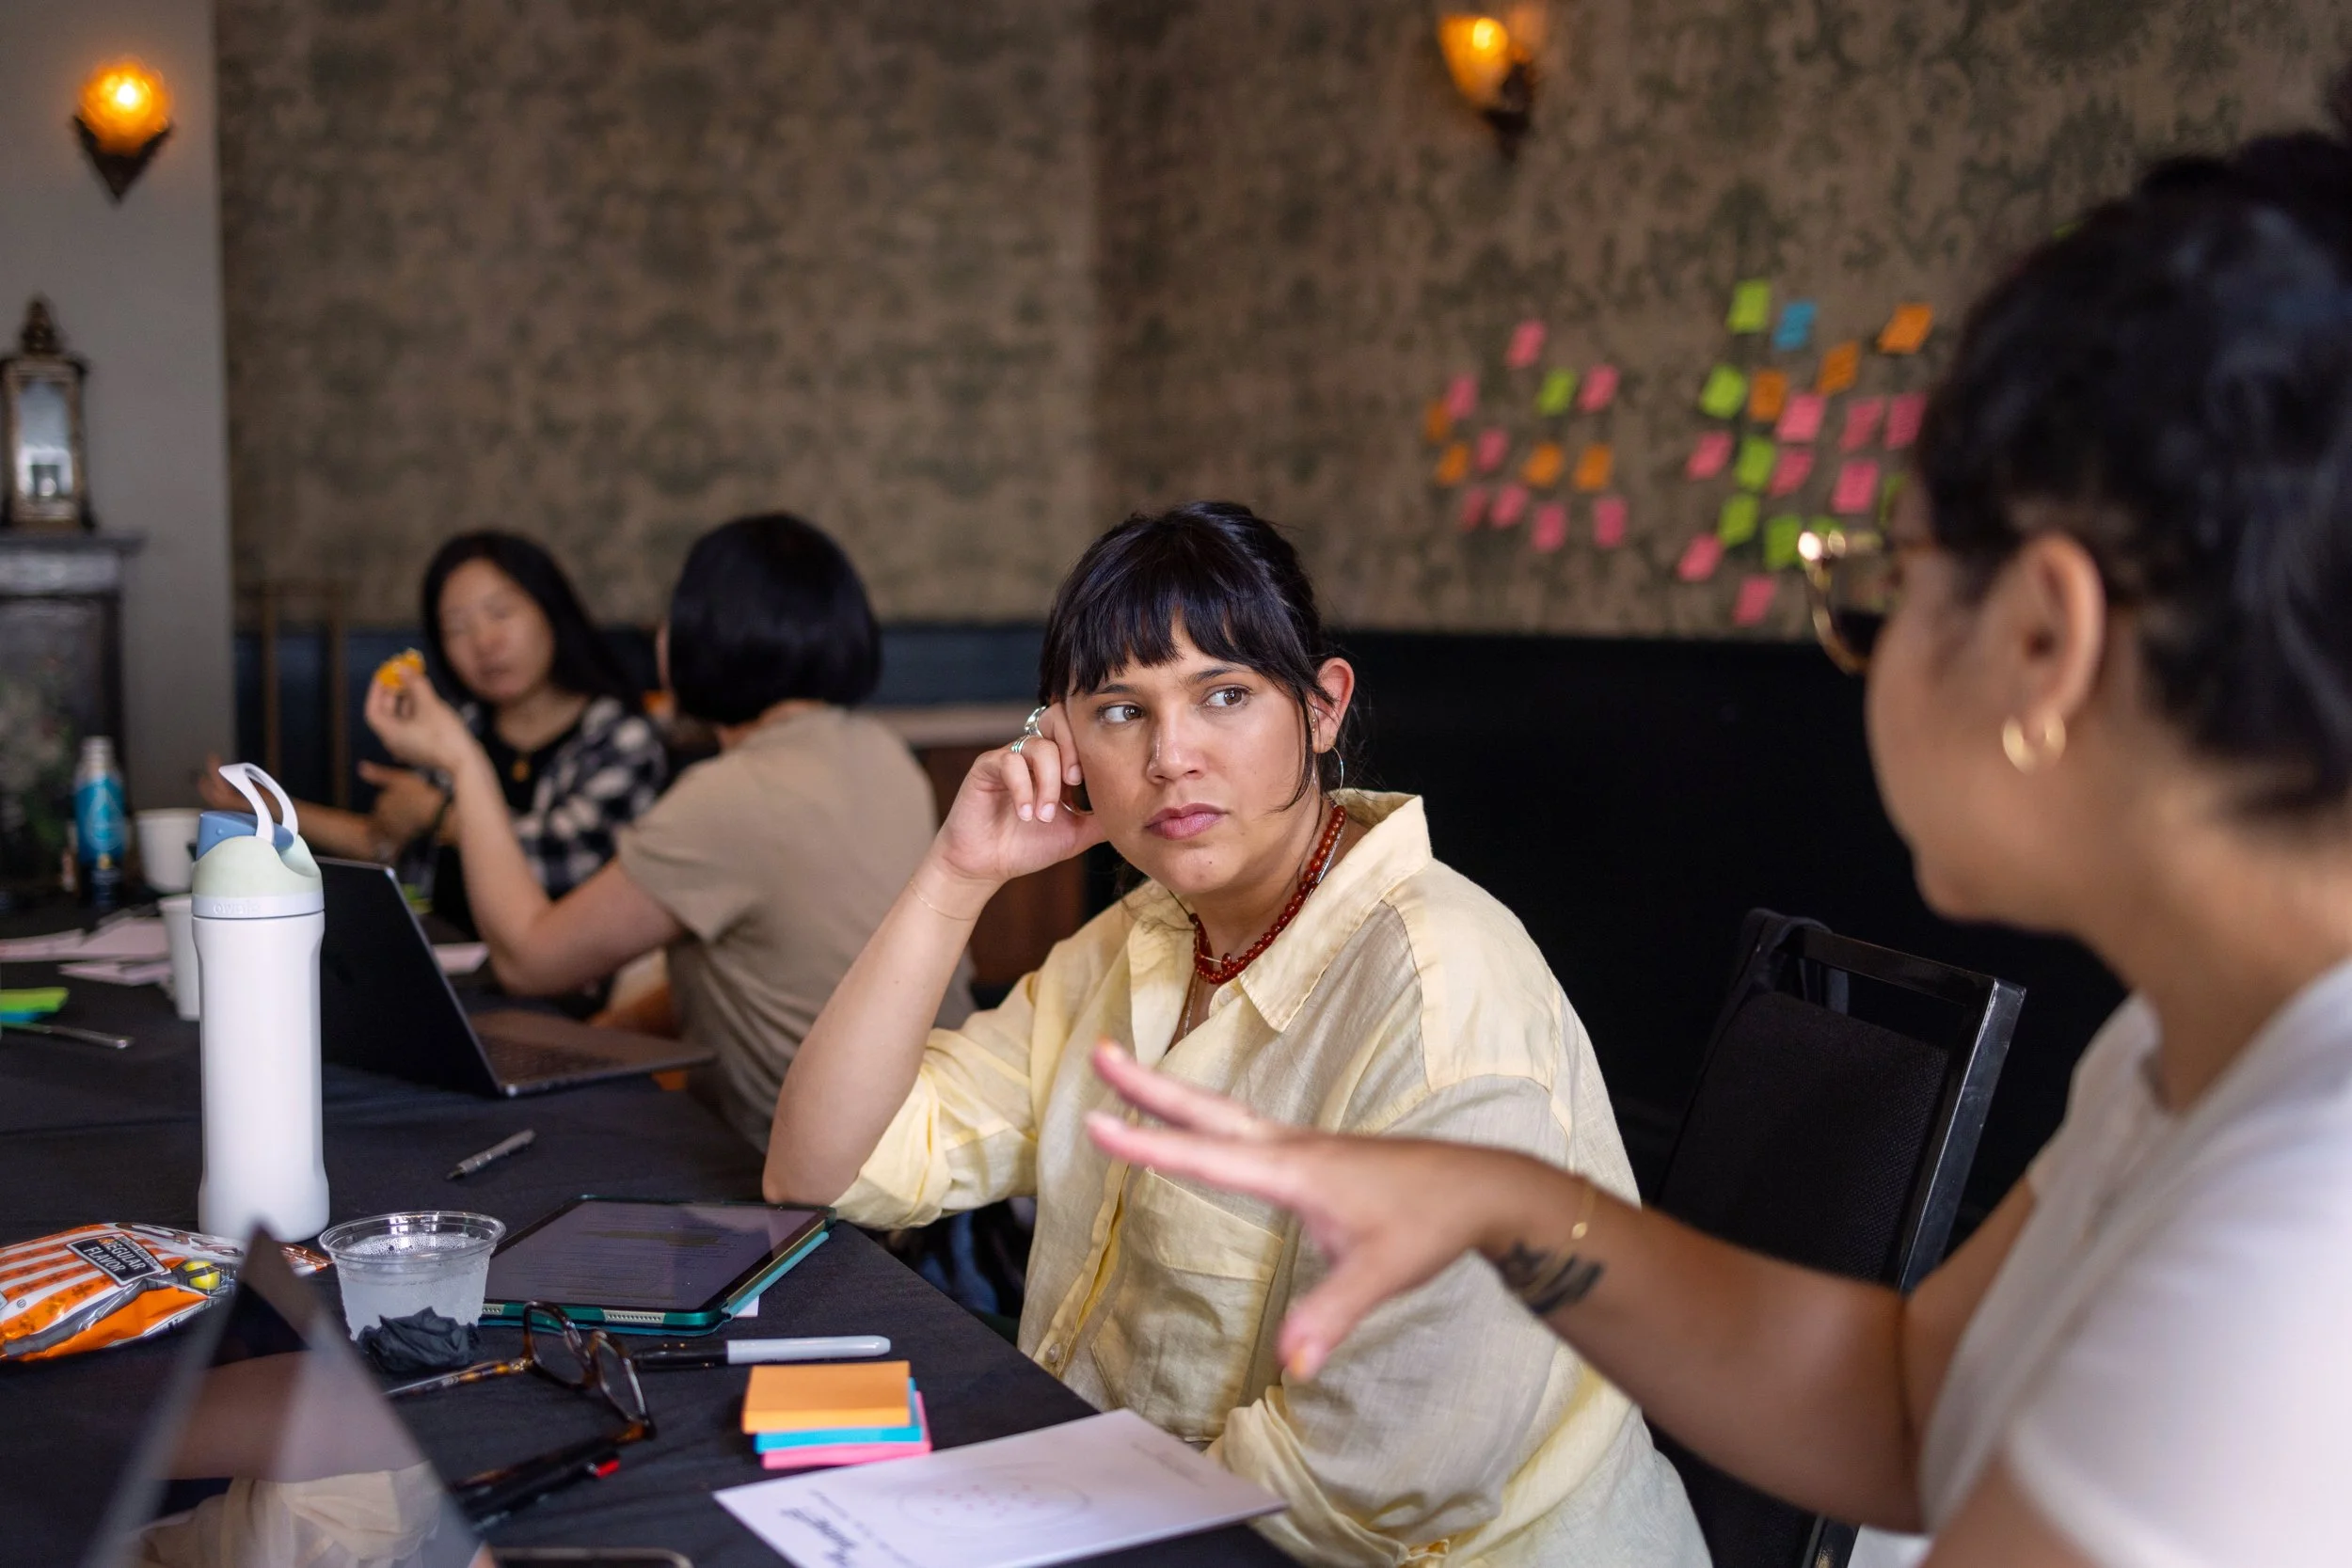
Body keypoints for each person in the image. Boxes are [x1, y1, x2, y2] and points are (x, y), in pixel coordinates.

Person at [1080, 91, 2352, 1568]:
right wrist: (1503, 1199)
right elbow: (1898, 1399)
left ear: (2044, 642)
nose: (1861, 639)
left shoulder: (2303, 1236)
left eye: (1896, 573)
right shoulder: (2192, 1044)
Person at [765, 503, 1708, 1565]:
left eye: (1224, 694)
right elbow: (822, 1166)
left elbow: (1363, 1486)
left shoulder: (1442, 1004)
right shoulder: (1149, 935)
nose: (1172, 756)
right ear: (1061, 744)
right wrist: (954, 878)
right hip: (1142, 1515)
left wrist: (1026, 1509)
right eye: (1120, 711)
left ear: (1320, 709)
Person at [369, 514, 969, 1148]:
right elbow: (779, 962)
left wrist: (463, 761)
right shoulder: (883, 752)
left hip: (811, 1179)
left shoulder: (726, 798)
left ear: (705, 636)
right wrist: (603, 1034)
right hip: (930, 1143)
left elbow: (527, 959)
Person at [200, 532, 664, 914]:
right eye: (457, 628)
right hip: (442, 962)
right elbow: (385, 841)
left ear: (551, 612)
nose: (484, 642)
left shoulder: (620, 737)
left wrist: (436, 815)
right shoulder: (460, 726)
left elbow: (565, 858)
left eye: (500, 613)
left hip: (557, 991)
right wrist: (270, 808)